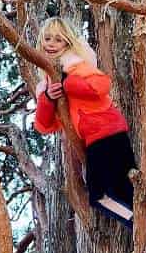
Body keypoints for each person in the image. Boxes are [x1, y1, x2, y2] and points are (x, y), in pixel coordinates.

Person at [33, 17, 136, 226]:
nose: (51, 44)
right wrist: (48, 98)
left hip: (106, 134)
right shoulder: (46, 83)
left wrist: (67, 82)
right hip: (95, 140)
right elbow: (44, 126)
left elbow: (100, 86)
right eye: (48, 39)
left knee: (100, 196)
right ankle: (144, 225)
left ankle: (139, 224)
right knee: (121, 192)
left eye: (58, 40)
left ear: (68, 44)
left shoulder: (76, 66)